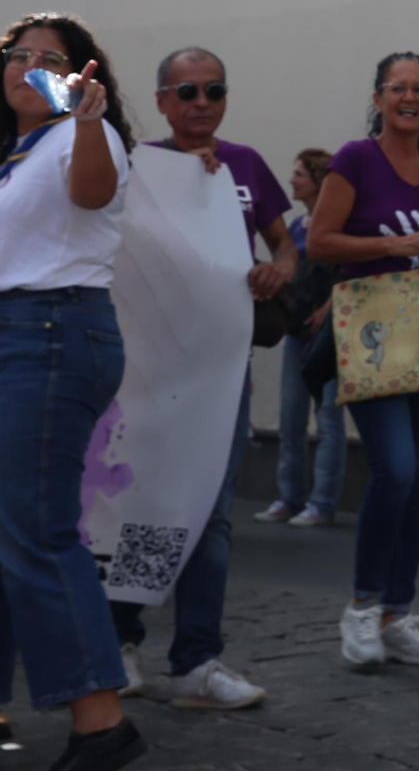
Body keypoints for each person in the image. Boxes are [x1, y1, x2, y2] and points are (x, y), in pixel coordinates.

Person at [110, 47, 291, 712]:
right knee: (139, 503)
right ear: (162, 100)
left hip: (222, 369)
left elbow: (286, 243)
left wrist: (280, 269)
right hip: (147, 369)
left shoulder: (244, 165)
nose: (202, 101)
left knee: (212, 514)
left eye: (214, 89)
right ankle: (121, 641)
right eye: (187, 90)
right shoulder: (136, 168)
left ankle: (196, 657)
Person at [0, 13, 149, 770]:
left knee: (38, 530)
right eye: (15, 53)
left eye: (47, 58)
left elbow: (91, 197)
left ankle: (101, 720)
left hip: (53, 335)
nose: (27, 65)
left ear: (80, 74)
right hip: (19, 335)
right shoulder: (16, 153)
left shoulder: (82, 136)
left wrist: (87, 120)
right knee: (9, 533)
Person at [306, 53, 419, 670]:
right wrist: (393, 244)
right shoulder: (354, 159)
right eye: (398, 88)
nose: (409, 98)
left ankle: (398, 612)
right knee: (393, 469)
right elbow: (319, 242)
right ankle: (363, 607)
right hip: (370, 326)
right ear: (379, 96)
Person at [256, 148, 345, 528]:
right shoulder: (295, 226)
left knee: (329, 418)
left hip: (333, 335)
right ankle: (288, 497)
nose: (291, 180)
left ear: (316, 179)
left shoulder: (339, 223)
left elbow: (346, 273)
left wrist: (327, 311)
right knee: (291, 416)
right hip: (296, 332)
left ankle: (322, 502)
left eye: (298, 174)